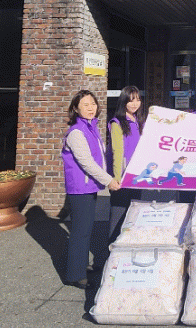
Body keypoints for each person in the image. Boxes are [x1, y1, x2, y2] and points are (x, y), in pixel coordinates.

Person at [61, 90, 120, 289]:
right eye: (85, 105)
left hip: (88, 187)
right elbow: (86, 162)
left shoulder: (91, 128)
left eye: (93, 104)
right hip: (80, 189)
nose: (90, 108)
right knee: (80, 231)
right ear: (76, 109)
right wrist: (109, 180)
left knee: (85, 229)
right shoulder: (77, 132)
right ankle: (75, 275)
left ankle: (80, 265)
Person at [107, 85, 147, 244]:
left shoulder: (139, 121)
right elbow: (117, 152)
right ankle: (110, 251)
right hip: (123, 176)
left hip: (136, 175)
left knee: (133, 214)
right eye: (131, 100)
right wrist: (117, 178)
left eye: (137, 99)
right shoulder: (117, 123)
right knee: (118, 215)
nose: (135, 104)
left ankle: (126, 249)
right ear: (123, 102)